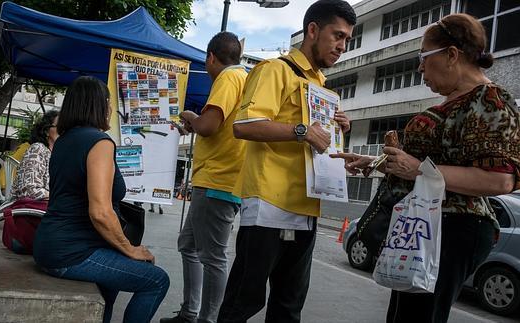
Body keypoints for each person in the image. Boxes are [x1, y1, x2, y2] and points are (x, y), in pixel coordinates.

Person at [331, 13, 520, 323]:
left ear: (451, 55)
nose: (419, 68)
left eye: (423, 58)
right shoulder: (456, 100)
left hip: (453, 226)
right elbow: (427, 162)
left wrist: (417, 168)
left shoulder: (491, 102)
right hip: (425, 223)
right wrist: (373, 162)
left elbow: (500, 179)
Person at [217, 1, 355, 322]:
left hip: (306, 208)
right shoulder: (275, 69)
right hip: (268, 207)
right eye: (337, 36)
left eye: (347, 39)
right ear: (312, 30)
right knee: (243, 303)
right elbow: (244, 125)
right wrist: (303, 130)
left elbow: (315, 142)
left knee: (289, 307)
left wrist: (337, 130)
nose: (341, 46)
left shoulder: (321, 86)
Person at [33, 76, 169, 323]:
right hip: (71, 252)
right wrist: (130, 249)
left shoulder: (63, 141)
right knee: (156, 280)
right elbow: (101, 212)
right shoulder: (99, 143)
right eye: (108, 102)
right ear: (99, 105)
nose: (110, 109)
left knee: (108, 291)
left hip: (50, 245)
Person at [160, 32, 247, 323]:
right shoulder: (243, 78)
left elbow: (209, 125)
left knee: (213, 257)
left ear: (211, 57)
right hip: (218, 180)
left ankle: (207, 319)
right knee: (189, 245)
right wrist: (194, 125)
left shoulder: (228, 78)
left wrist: (189, 115)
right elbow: (213, 127)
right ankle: (190, 313)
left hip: (217, 181)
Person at [11, 110, 59, 201]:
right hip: (34, 209)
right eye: (60, 127)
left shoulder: (57, 154)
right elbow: (29, 189)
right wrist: (60, 198)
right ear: (46, 131)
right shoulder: (38, 149)